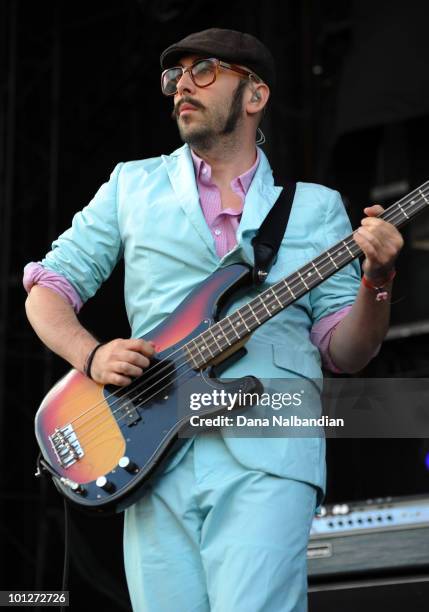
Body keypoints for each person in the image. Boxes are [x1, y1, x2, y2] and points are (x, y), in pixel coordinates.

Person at [24, 28, 403, 612]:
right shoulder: (132, 185)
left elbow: (346, 353)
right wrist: (92, 355)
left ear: (254, 95)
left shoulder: (316, 208)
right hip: (148, 450)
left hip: (271, 447)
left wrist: (377, 281)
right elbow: (47, 290)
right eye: (175, 77)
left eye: (204, 71)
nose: (182, 87)